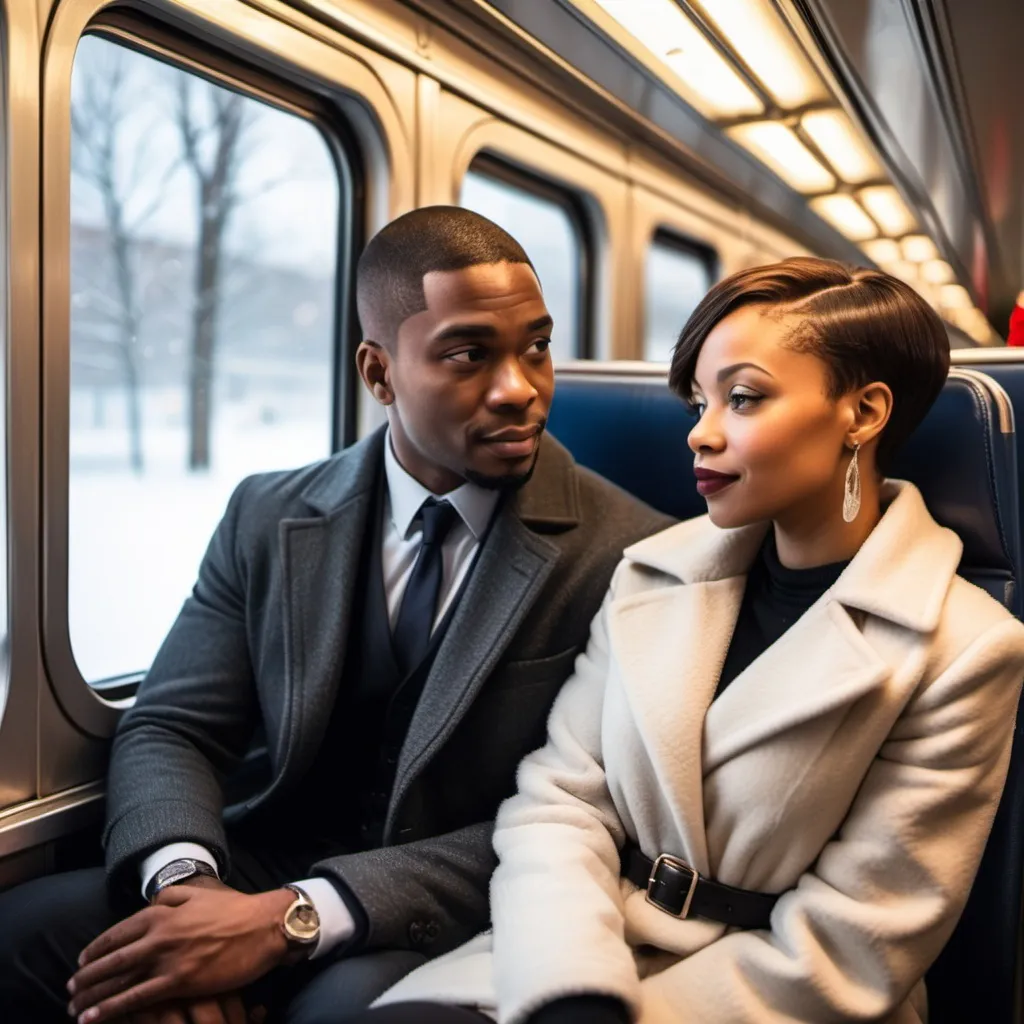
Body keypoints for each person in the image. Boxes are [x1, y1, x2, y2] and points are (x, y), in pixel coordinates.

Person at [0, 206, 671, 1024]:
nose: (520, 389)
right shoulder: (267, 514)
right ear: (378, 374)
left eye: (537, 346)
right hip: (255, 855)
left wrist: (290, 919)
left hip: (448, 901)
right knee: (24, 931)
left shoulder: (632, 552)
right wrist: (189, 897)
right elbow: (175, 726)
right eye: (469, 355)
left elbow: (596, 819)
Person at [350, 257, 1024, 1024]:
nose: (700, 434)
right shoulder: (650, 573)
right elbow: (560, 805)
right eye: (699, 402)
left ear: (863, 414)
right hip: (573, 952)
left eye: (742, 398)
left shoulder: (965, 649)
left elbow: (853, 940)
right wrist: (573, 993)